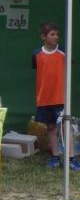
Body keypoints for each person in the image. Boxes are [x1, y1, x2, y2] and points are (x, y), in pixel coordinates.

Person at [32, 22, 78, 170]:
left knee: (66, 127)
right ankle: (55, 157)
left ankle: (70, 159)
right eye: (52, 34)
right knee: (51, 127)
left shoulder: (64, 53)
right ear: (43, 37)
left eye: (57, 34)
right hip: (44, 98)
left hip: (60, 97)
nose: (56, 37)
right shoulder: (37, 54)